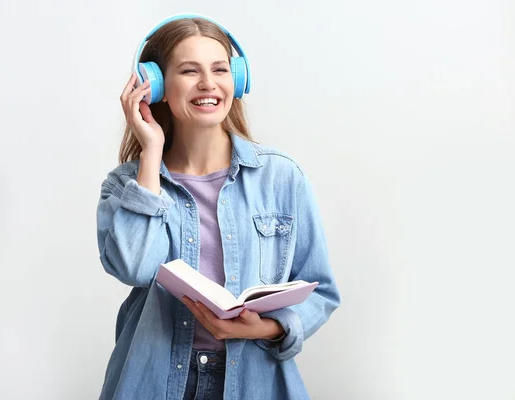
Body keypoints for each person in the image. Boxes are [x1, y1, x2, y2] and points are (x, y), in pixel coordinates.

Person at [96, 13, 341, 400]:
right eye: (190, 71)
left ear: (237, 78)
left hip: (255, 381)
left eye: (220, 69)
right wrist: (151, 153)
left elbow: (321, 290)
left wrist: (264, 328)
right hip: (155, 381)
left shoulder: (281, 177)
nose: (208, 84)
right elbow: (137, 268)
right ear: (155, 85)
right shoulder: (128, 184)